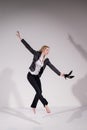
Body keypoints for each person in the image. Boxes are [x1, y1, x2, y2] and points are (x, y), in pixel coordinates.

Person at [16, 31, 65, 114]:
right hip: (30, 76)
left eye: (48, 50)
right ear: (43, 49)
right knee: (38, 92)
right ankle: (45, 105)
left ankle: (35, 106)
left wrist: (60, 73)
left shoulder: (46, 60)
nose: (48, 52)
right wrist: (21, 39)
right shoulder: (36, 54)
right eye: (47, 50)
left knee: (40, 92)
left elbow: (52, 67)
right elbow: (28, 47)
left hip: (36, 77)